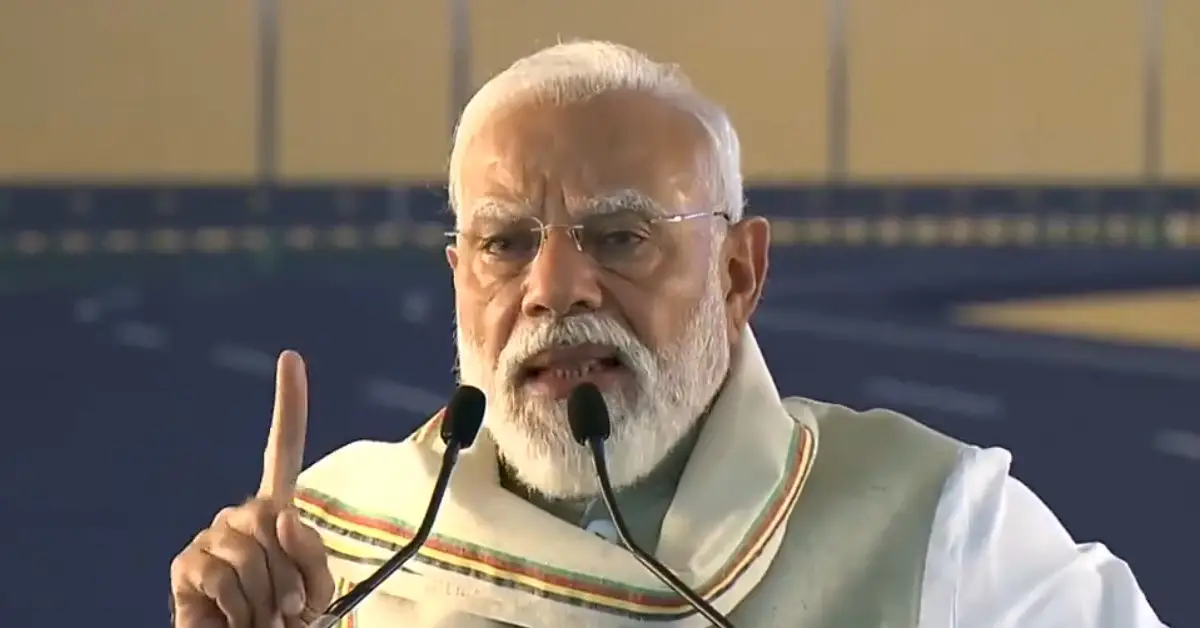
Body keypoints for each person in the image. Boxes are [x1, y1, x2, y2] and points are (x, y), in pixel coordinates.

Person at [168, 41, 1167, 628]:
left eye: (620, 236)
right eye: (505, 243)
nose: (554, 289)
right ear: (459, 277)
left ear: (738, 273)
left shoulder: (932, 525)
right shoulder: (335, 545)